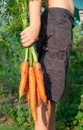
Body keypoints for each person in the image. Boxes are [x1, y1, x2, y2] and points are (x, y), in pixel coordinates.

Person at [20, 0, 74, 130]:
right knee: (44, 95)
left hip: (60, 20)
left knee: (49, 98)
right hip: (57, 20)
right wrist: (34, 25)